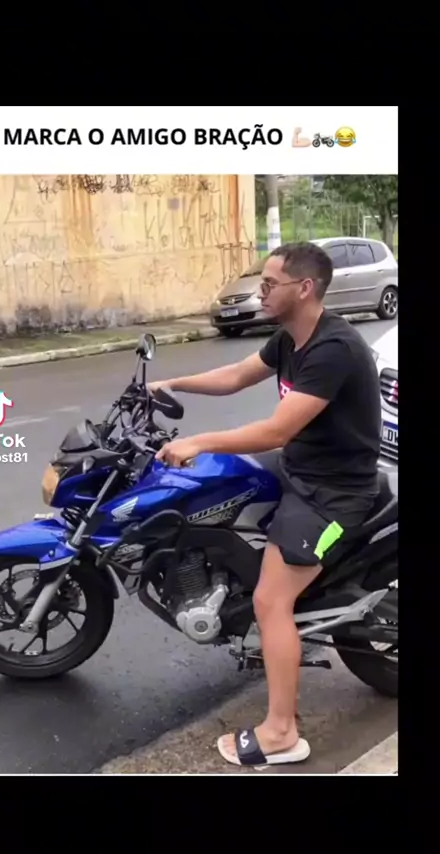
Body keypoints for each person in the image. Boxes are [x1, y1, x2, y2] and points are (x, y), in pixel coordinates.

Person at [148, 242, 382, 768]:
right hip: (299, 466)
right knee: (211, 490)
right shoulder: (290, 337)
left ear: (305, 288)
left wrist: (199, 440)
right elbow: (236, 376)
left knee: (271, 602)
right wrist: (170, 384)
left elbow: (276, 430)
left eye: (271, 284)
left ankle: (281, 734)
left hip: (335, 491)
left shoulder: (334, 349)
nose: (261, 291)